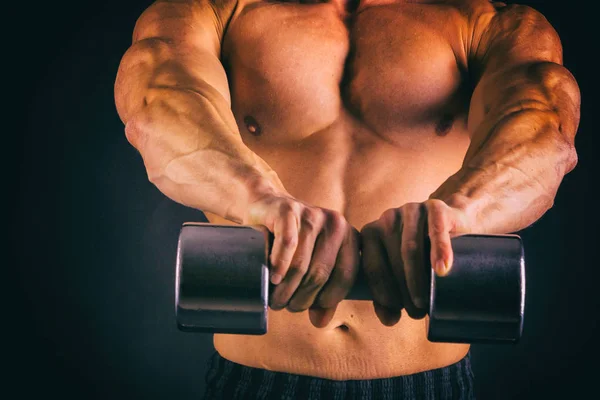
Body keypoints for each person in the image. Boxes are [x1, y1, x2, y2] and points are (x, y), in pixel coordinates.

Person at [114, 0, 580, 397]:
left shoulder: (485, 24)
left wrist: (457, 213)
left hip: (427, 384)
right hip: (255, 382)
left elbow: (543, 128)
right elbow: (159, 102)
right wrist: (259, 198)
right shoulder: (215, 12)